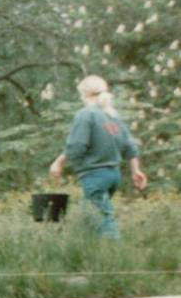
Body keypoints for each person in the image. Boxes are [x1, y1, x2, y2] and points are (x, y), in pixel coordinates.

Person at [48, 74, 147, 239]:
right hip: (113, 176)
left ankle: (116, 258)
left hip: (95, 175)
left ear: (84, 94)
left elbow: (77, 146)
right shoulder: (113, 116)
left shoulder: (86, 114)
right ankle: (91, 255)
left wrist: (58, 163)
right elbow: (130, 146)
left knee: (103, 219)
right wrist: (136, 171)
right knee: (90, 216)